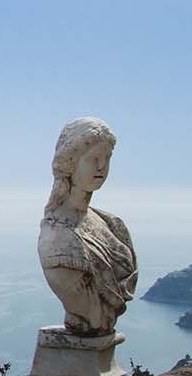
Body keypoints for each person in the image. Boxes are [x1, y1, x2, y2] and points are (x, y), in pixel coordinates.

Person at [38, 117, 137, 336]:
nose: (102, 166)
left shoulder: (112, 224)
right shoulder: (58, 238)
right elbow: (92, 312)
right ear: (70, 163)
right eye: (93, 158)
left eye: (107, 158)